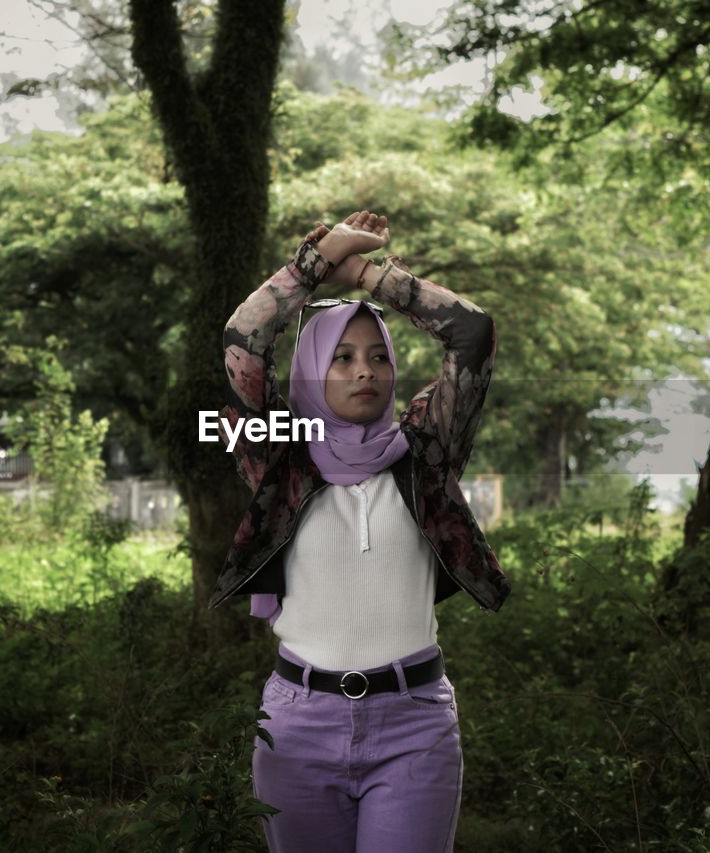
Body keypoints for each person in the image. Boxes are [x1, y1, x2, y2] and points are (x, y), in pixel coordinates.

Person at [210, 210, 512, 853]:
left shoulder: (427, 451)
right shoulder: (276, 457)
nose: (364, 371)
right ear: (313, 369)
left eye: (378, 356)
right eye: (341, 357)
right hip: (296, 726)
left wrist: (373, 278)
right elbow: (244, 336)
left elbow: (473, 333)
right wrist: (314, 267)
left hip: (415, 723)